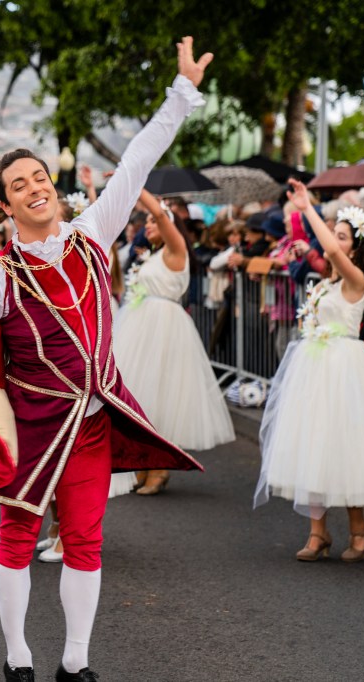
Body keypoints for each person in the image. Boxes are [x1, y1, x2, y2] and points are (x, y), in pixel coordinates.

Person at [0, 38, 211, 682]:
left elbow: (135, 163)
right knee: (18, 540)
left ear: (53, 190)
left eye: (39, 180)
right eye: (19, 185)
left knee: (86, 540)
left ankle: (76, 663)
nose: (34, 189)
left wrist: (179, 94)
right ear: (5, 204)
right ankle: (17, 658)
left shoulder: (92, 237)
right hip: (27, 425)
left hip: (93, 422)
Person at [255, 180, 364, 562]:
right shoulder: (324, 284)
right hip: (314, 371)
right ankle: (318, 533)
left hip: (346, 371)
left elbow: (328, 249)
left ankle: (359, 527)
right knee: (313, 444)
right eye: (335, 235)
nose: (334, 242)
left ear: (356, 247)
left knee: (346, 446)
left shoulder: (356, 281)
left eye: (343, 237)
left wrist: (306, 207)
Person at [115, 189, 234, 495]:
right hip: (140, 323)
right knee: (138, 394)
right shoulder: (152, 255)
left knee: (161, 395)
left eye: (154, 222)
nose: (148, 226)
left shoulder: (175, 249)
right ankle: (142, 463)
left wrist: (137, 185)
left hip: (164, 325)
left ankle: (158, 468)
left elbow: (162, 218)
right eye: (147, 223)